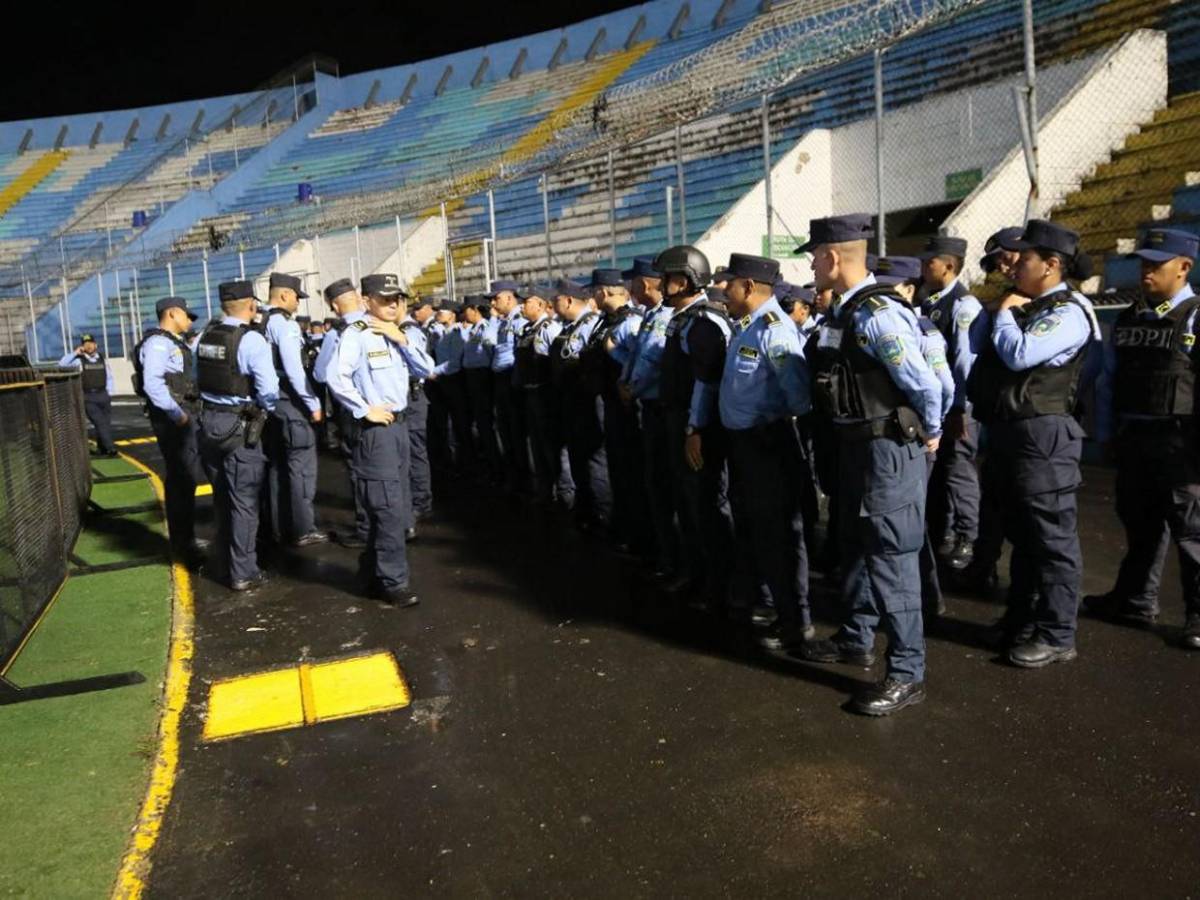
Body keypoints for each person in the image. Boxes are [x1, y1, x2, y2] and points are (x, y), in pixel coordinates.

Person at [797, 214, 943, 716]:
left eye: (814, 257)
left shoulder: (878, 315)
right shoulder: (845, 312)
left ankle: (907, 671)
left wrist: (930, 433)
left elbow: (926, 385)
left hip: (887, 450)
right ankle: (856, 637)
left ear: (832, 257)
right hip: (856, 449)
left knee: (892, 557)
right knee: (858, 547)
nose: (812, 266)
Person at [967, 219, 1101, 667]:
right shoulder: (1033, 305)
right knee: (1023, 535)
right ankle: (1021, 620)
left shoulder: (1069, 311)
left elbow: (1020, 353)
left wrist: (1006, 311)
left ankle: (1058, 633)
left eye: (1024, 259)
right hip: (1014, 432)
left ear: (1051, 264)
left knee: (1052, 538)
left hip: (1044, 436)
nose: (1015, 266)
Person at [1087, 227, 1200, 650]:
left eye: (1157, 264)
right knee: (1140, 524)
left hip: (1181, 442)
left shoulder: (1194, 316)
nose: (1146, 272)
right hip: (1135, 437)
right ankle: (1135, 599)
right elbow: (1110, 383)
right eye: (1143, 264)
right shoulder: (1131, 317)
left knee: (1192, 532)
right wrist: (1107, 435)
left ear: (1184, 267)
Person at [719, 253, 814, 650]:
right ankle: (773, 605)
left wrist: (769, 424)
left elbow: (798, 395)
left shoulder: (774, 330)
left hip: (768, 444)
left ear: (748, 286)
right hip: (746, 445)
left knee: (780, 535)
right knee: (758, 530)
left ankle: (795, 622)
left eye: (729, 283)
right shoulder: (748, 326)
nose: (723, 290)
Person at [326, 273, 435, 606]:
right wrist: (364, 409)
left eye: (396, 299)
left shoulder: (398, 333)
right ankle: (393, 581)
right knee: (387, 508)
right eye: (385, 299)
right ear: (366, 300)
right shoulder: (357, 334)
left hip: (399, 427)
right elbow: (335, 376)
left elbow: (427, 369)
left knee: (393, 505)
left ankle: (373, 573)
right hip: (378, 433)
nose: (392, 304)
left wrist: (402, 341)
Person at [655, 245, 734, 610]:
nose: (661, 285)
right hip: (679, 421)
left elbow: (707, 381)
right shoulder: (683, 319)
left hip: (696, 428)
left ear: (686, 281)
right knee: (687, 504)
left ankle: (718, 585)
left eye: (668, 278)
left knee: (705, 505)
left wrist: (695, 429)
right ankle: (696, 573)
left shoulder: (704, 323)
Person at [875, 255, 954, 617]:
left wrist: (933, 429)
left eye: (890, 286)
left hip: (914, 437)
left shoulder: (922, 329)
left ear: (909, 289)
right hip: (893, 436)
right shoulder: (883, 319)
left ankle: (927, 600)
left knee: (910, 525)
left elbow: (943, 385)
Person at [196, 281, 280, 591]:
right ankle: (243, 571)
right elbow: (269, 390)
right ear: (251, 305)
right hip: (239, 425)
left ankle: (223, 562)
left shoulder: (205, 336)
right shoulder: (251, 340)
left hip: (208, 422)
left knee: (222, 499)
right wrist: (264, 408)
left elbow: (196, 377)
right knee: (244, 501)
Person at [919, 235, 985, 571]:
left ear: (948, 265)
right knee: (941, 472)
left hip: (958, 406)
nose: (923, 266)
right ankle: (942, 532)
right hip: (940, 404)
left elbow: (963, 362)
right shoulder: (930, 302)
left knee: (959, 471)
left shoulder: (963, 306)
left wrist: (959, 407)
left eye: (929, 261)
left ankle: (966, 535)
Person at [132, 296, 206, 563]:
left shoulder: (173, 342)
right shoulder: (158, 343)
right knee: (181, 478)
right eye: (186, 315)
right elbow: (153, 384)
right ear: (172, 313)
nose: (189, 321)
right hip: (173, 419)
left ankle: (186, 538)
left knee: (186, 478)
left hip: (181, 414)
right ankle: (182, 543)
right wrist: (178, 415)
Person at [620, 257, 678, 578]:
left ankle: (670, 559)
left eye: (632, 282)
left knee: (662, 485)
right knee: (651, 482)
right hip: (648, 406)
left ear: (643, 283)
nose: (629, 288)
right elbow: (636, 355)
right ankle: (660, 552)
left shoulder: (664, 317)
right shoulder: (652, 315)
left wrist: (632, 388)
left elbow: (652, 359)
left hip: (658, 408)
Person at [260, 272, 327, 547]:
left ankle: (278, 527)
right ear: (284, 294)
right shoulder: (284, 324)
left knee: (277, 467)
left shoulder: (258, 321)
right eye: (296, 297)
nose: (298, 302)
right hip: (289, 398)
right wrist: (314, 403)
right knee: (301, 467)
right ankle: (302, 528)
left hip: (269, 401)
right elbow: (294, 370)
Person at [582, 268, 644, 548]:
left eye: (594, 290)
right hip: (605, 400)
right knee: (615, 467)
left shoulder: (631, 322)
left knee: (627, 469)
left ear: (603, 292)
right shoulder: (605, 322)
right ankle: (617, 523)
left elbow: (640, 364)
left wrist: (613, 354)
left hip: (624, 406)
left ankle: (633, 532)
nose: (592, 295)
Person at [550, 278, 609, 529]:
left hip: (587, 401)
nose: (553, 304)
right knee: (576, 456)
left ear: (568, 300)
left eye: (556, 299)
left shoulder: (591, 324)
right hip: (571, 399)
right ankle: (584, 510)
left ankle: (602, 514)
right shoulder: (570, 326)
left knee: (594, 461)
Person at [515, 285, 567, 505]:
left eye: (527, 302)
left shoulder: (549, 328)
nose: (522, 306)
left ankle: (564, 492)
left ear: (540, 305)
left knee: (551, 445)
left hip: (545, 394)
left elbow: (556, 363)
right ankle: (545, 490)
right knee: (536, 444)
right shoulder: (528, 330)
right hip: (529, 392)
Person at [488, 280, 529, 493]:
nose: (493, 303)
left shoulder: (519, 320)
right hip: (501, 380)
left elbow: (519, 354)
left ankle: (523, 481)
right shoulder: (504, 321)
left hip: (512, 379)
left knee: (516, 433)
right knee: (505, 431)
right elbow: (489, 341)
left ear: (509, 297)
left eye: (496, 298)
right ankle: (514, 477)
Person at [400, 293, 434, 531]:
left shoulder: (409, 332)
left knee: (415, 452)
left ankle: (421, 501)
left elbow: (419, 367)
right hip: (406, 397)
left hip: (412, 396)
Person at [462, 297, 502, 482]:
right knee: (480, 423)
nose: (464, 314)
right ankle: (490, 463)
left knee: (487, 423)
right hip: (473, 377)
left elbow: (490, 350)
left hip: (483, 377)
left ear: (474, 309)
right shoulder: (473, 329)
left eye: (467, 310)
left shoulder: (486, 327)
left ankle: (497, 466)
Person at [59, 334, 116, 456]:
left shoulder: (102, 359)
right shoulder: (79, 360)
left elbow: (109, 376)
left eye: (90, 343)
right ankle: (111, 448)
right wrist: (75, 353)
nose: (88, 346)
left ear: (95, 345)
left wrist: (109, 393)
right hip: (89, 397)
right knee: (100, 422)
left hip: (103, 395)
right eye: (85, 344)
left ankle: (102, 449)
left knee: (105, 424)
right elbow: (61, 364)